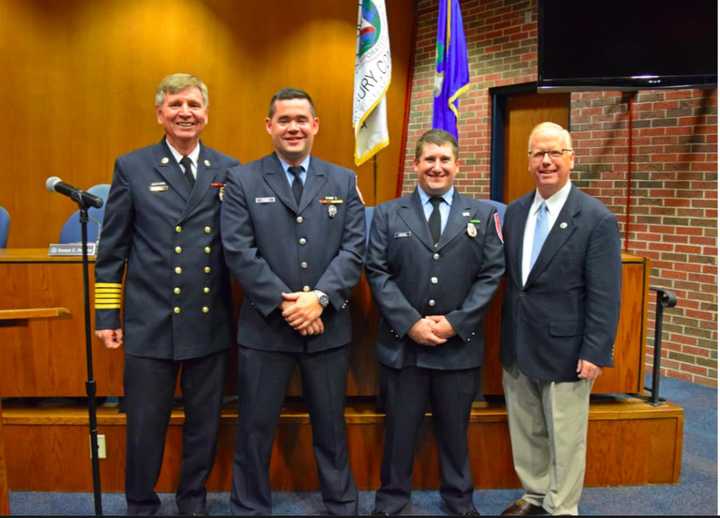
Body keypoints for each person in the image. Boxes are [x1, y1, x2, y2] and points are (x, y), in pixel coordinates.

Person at [94, 73, 239, 515]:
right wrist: (106, 316)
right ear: (160, 114)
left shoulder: (229, 169)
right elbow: (112, 248)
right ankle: (140, 502)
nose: (185, 113)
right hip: (149, 319)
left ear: (206, 113)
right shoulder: (132, 167)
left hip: (208, 318)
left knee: (204, 423)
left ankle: (192, 499)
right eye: (175, 105)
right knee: (144, 424)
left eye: (193, 105)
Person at [221, 87, 364, 515]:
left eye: (302, 119)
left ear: (315, 125)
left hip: (327, 327)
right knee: (254, 428)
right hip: (265, 329)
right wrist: (289, 305)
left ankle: (342, 506)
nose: (294, 127)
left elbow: (354, 249)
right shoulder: (242, 180)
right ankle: (249, 507)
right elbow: (238, 251)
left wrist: (318, 299)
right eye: (284, 120)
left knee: (331, 429)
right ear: (269, 126)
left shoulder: (343, 180)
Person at [365, 129, 505, 516]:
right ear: (415, 164)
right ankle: (392, 500)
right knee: (399, 431)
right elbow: (376, 270)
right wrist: (411, 322)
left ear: (458, 165)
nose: (437, 167)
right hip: (403, 345)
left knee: (455, 432)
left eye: (445, 160)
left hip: (457, 346)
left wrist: (455, 323)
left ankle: (459, 500)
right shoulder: (388, 213)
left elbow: (491, 274)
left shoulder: (482, 214)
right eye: (429, 159)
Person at [499, 122, 621, 516]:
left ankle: (562, 507)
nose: (546, 161)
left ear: (572, 159)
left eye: (555, 153)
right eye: (538, 153)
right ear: (528, 160)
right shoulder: (515, 212)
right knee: (527, 429)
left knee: (566, 437)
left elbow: (605, 292)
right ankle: (534, 495)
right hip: (519, 343)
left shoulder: (595, 218)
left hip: (568, 349)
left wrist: (596, 350)